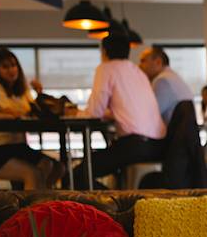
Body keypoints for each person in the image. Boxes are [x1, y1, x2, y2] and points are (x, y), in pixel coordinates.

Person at [71, 33, 166, 188]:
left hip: (135, 146)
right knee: (102, 165)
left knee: (77, 175)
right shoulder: (137, 71)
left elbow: (94, 113)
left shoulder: (106, 68)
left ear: (104, 52)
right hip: (159, 145)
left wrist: (75, 113)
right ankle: (117, 195)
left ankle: (113, 200)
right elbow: (129, 107)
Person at [0, 48, 64, 189]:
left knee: (54, 166)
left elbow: (30, 109)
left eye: (13, 65)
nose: (11, 70)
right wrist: (14, 113)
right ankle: (31, 201)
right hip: (0, 145)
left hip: (18, 144)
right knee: (33, 174)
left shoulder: (20, 88)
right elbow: (7, 110)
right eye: (5, 67)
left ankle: (38, 198)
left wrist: (38, 94)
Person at [138, 45, 194, 124]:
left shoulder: (162, 81)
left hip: (171, 131)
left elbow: (149, 115)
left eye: (143, 61)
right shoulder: (172, 77)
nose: (139, 65)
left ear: (158, 62)